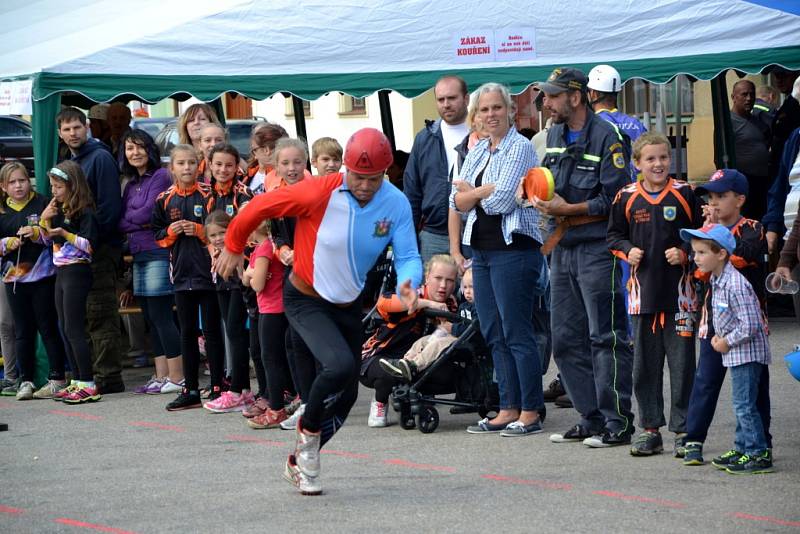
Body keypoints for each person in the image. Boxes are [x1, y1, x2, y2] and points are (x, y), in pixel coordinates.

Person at [215, 127, 422, 496]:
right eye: (357, 177)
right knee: (338, 365)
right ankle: (307, 434)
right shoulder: (321, 190)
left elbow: (407, 255)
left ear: (386, 173)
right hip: (305, 297)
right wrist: (232, 242)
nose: (363, 186)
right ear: (345, 169)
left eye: (372, 179)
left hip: (347, 305)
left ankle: (301, 457)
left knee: (345, 396)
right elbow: (261, 206)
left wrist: (409, 285)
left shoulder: (395, 203)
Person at [532, 67, 635, 448]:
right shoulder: (555, 134)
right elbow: (549, 183)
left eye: (553, 96)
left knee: (605, 337)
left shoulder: (609, 137)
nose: (546, 102)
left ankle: (618, 421)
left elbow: (619, 201)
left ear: (575, 97)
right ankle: (589, 418)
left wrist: (570, 207)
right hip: (562, 249)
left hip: (597, 250)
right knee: (564, 340)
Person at [451, 82, 546, 437]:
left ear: (510, 111)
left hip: (514, 249)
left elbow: (503, 201)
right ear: (476, 117)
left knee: (517, 331)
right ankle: (507, 407)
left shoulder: (519, 147)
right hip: (483, 250)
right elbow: (455, 201)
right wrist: (481, 192)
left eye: (497, 108)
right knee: (493, 332)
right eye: (484, 109)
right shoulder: (478, 151)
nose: (491, 115)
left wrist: (474, 195)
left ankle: (531, 411)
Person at [607, 132, 703, 456]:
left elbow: (705, 235)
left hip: (681, 297)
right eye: (650, 159)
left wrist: (686, 252)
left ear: (670, 159)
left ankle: (684, 429)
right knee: (644, 367)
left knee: (682, 365)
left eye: (663, 157)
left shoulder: (686, 193)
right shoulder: (626, 197)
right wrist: (627, 250)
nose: (658, 164)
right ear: (637, 163)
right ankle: (650, 429)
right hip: (641, 296)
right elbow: (613, 236)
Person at [682, 169, 771, 467]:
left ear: (740, 199)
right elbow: (697, 269)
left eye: (722, 196)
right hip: (713, 323)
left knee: (752, 390)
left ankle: (760, 445)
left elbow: (745, 252)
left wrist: (714, 240)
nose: (714, 203)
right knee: (705, 380)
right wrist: (706, 235)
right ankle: (693, 439)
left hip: (747, 327)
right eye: (711, 197)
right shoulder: (706, 235)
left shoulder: (752, 228)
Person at [151, 145, 225, 411]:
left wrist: (198, 230)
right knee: (187, 334)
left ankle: (218, 386)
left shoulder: (209, 194)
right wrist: (171, 231)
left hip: (209, 273)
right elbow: (157, 236)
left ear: (199, 165)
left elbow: (221, 228)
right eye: (180, 163)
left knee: (213, 332)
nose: (186, 168)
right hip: (181, 275)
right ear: (172, 168)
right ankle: (190, 387)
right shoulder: (164, 198)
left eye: (191, 163)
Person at [56, 107, 125, 394]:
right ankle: (87, 376)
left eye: (77, 127)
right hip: (75, 252)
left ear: (87, 127)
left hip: (98, 250)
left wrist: (92, 242)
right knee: (79, 318)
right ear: (60, 133)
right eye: (67, 129)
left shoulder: (100, 158)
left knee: (100, 314)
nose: (73, 133)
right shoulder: (68, 160)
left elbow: (110, 208)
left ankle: (107, 378)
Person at [117, 129, 183, 395]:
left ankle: (178, 377)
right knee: (150, 317)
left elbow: (150, 212)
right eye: (130, 149)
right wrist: (136, 220)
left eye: (140, 147)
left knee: (162, 315)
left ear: (150, 149)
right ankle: (161, 375)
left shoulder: (161, 176)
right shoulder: (130, 184)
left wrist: (135, 219)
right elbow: (120, 220)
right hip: (139, 252)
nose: (135, 153)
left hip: (158, 250)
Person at [361, 254, 458, 427]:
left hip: (415, 360)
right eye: (438, 278)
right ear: (427, 278)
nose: (443, 285)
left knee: (449, 372)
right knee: (389, 372)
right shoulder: (413, 294)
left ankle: (415, 399)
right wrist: (427, 303)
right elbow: (384, 303)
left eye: (449, 280)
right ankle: (380, 402)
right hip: (379, 356)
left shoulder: (452, 303)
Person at [0, 163, 66, 400]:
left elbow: (57, 236)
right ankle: (24, 380)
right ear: (3, 187)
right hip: (13, 280)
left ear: (30, 181)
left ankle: (57, 376)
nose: (18, 186)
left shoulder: (44, 203)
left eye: (22, 180)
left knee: (48, 327)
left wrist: (38, 234)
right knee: (22, 331)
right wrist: (6, 244)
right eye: (12, 182)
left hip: (43, 277)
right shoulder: (2, 212)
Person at [41, 161, 100, 404]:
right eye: (52, 186)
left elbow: (89, 245)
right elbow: (47, 241)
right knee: (64, 327)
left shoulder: (85, 211)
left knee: (75, 328)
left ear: (72, 186)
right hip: (61, 270)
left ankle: (88, 382)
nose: (54, 191)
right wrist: (45, 221)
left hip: (78, 270)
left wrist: (64, 233)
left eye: (58, 186)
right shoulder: (59, 211)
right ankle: (76, 380)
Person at [204, 145, 255, 413]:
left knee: (237, 330)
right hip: (220, 273)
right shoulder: (209, 196)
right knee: (230, 329)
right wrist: (214, 251)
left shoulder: (243, 194)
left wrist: (233, 254)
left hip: (242, 272)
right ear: (210, 165)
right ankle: (243, 389)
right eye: (218, 164)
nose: (223, 170)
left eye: (229, 165)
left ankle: (237, 390)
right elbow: (208, 234)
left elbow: (252, 229)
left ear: (238, 167)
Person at [405, 75, 470, 263]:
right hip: (433, 234)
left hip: (472, 235)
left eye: (452, 98)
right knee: (432, 292)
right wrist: (409, 239)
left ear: (465, 99)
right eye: (441, 99)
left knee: (471, 293)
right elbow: (412, 193)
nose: (446, 104)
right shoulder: (424, 139)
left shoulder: (481, 135)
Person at [379, 264, 474, 382]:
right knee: (423, 341)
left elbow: (475, 329)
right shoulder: (463, 306)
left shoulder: (481, 309)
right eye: (465, 287)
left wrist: (452, 327)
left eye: (472, 287)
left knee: (438, 343)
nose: (468, 291)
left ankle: (415, 366)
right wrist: (445, 324)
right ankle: (404, 363)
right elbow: (457, 322)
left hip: (469, 342)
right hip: (456, 337)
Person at [242, 219, 293, 428]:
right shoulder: (268, 247)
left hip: (272, 309)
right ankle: (287, 399)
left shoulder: (263, 249)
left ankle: (276, 407)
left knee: (270, 358)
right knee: (279, 356)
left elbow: (257, 283)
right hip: (276, 308)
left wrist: (249, 273)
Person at [587, 64, 647, 180]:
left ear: (593, 94)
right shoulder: (635, 124)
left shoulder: (592, 125)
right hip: (636, 192)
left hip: (608, 193)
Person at [729, 80, 771, 220]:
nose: (749, 99)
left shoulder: (757, 120)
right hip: (743, 183)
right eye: (744, 94)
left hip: (762, 182)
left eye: (752, 95)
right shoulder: (728, 122)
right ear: (733, 97)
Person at [245, 123, 289, 195]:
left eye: (254, 150)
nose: (254, 156)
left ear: (266, 150)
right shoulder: (249, 172)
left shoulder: (283, 177)